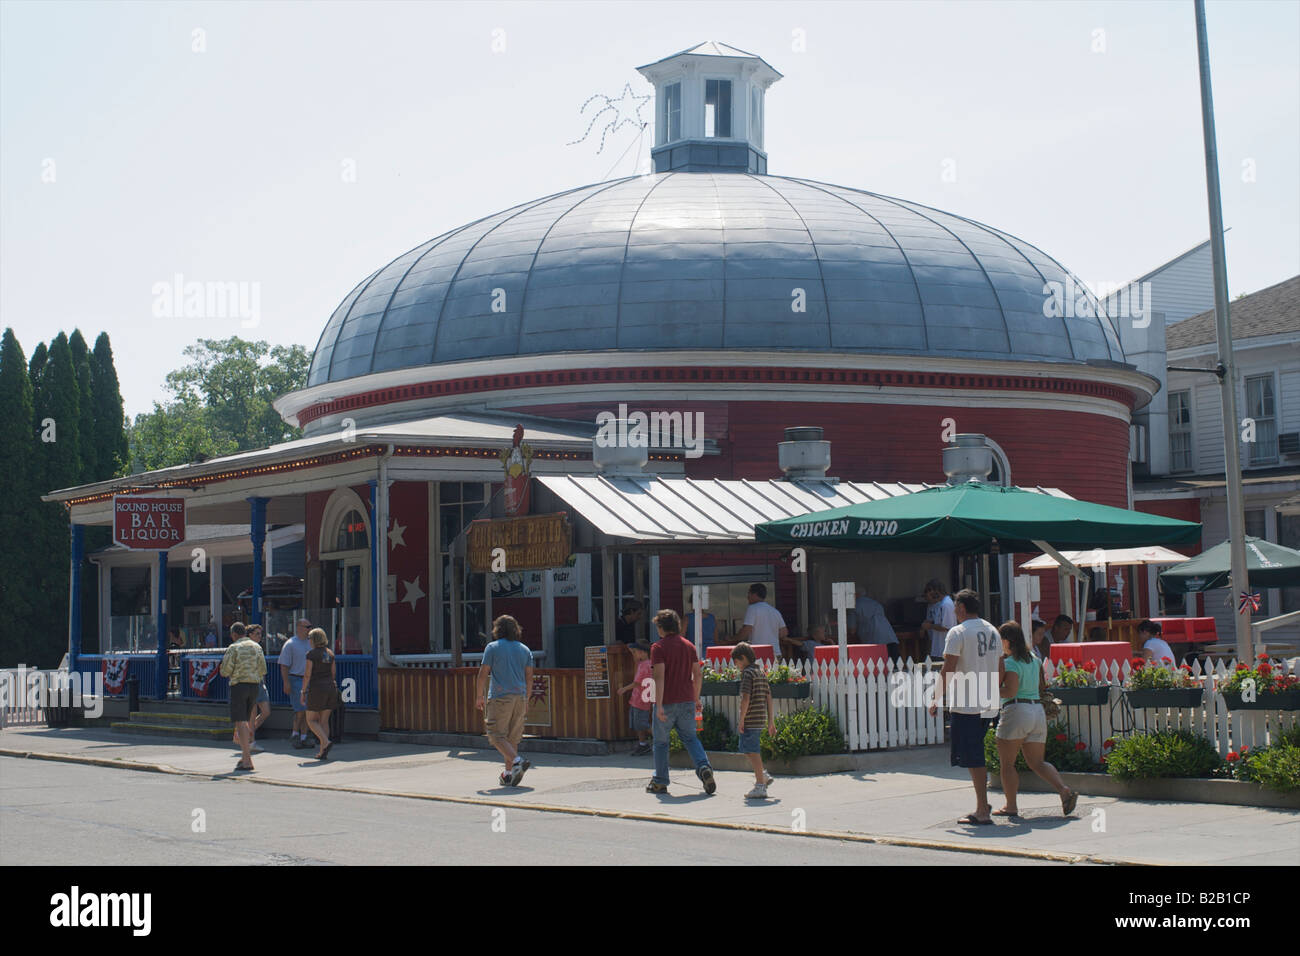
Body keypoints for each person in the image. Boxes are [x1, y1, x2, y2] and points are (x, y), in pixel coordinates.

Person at [929, 589, 1001, 825]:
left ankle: (982, 809)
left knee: (973, 756)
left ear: (960, 608)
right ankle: (984, 804)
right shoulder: (992, 630)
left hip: (967, 703)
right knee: (976, 753)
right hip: (988, 700)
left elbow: (948, 667)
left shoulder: (957, 632)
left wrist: (936, 697)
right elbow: (1001, 667)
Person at [994, 620, 1077, 818]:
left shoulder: (1010, 662)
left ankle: (1011, 806)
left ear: (1006, 641)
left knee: (1007, 764)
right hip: (1037, 712)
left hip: (1017, 710)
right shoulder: (1034, 659)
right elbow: (1041, 688)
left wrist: (990, 688)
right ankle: (1063, 790)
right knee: (1037, 762)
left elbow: (1010, 690)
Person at [647, 609, 715, 796]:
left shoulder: (658, 648)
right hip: (686, 700)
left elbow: (659, 677)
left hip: (667, 701)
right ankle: (703, 767)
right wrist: (696, 698)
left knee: (661, 743)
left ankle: (660, 781)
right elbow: (697, 674)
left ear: (661, 627)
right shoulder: (689, 646)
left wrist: (659, 705)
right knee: (691, 738)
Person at [475, 615, 535, 787]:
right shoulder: (525, 649)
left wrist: (479, 696)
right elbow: (529, 677)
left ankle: (517, 761)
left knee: (496, 735)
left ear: (497, 630)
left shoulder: (492, 647)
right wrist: (527, 699)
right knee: (512, 738)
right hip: (520, 696)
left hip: (500, 697)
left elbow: (483, 673)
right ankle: (509, 774)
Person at [219, 623, 266, 773]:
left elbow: (225, 671)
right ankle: (245, 757)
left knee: (240, 722)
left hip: (239, 686)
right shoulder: (256, 647)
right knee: (245, 720)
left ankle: (247, 759)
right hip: (254, 685)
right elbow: (263, 669)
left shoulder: (233, 648)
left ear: (233, 634)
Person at [733, 642, 776, 800]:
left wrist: (741, 719)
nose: (736, 666)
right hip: (760, 718)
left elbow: (745, 698)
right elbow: (769, 697)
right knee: (747, 748)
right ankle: (762, 775)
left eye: (736, 662)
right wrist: (771, 720)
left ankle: (760, 785)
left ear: (743, 659)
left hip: (750, 718)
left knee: (753, 751)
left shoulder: (747, 674)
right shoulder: (760, 672)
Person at [302, 627, 341, 760]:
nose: (308, 641)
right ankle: (323, 751)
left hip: (316, 689)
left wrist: (303, 691)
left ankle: (326, 742)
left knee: (311, 720)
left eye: (309, 638)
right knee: (324, 721)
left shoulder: (311, 654)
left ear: (313, 640)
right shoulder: (330, 653)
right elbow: (333, 672)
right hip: (330, 688)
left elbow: (307, 675)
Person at [232, 624, 269, 753]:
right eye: (257, 633)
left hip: (258, 682)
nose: (260, 636)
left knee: (265, 711)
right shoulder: (242, 648)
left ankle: (245, 733)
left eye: (260, 633)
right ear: (249, 635)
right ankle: (250, 740)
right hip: (249, 683)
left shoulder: (258, 648)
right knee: (252, 714)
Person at [279, 619, 313, 749]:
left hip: (308, 679)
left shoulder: (311, 643)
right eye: (307, 627)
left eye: (310, 627)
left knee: (307, 710)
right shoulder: (290, 644)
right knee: (300, 710)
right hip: (296, 678)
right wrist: (286, 682)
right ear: (299, 627)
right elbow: (284, 665)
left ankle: (304, 736)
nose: (309, 629)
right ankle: (295, 734)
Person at [619, 640, 654, 755]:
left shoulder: (645, 665)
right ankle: (642, 744)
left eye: (635, 652)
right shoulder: (644, 663)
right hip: (640, 698)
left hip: (641, 699)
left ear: (643, 653)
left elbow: (637, 683)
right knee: (637, 724)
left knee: (642, 723)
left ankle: (661, 738)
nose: (633, 654)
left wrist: (624, 689)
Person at [735, 583, 787, 658]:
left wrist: (733, 638)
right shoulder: (775, 611)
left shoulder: (752, 608)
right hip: (775, 652)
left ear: (754, 594)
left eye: (749, 593)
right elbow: (783, 633)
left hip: (759, 653)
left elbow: (746, 632)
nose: (747, 597)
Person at [851, 585, 899, 663]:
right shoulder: (875, 603)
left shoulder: (855, 605)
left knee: (879, 668)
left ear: (855, 595)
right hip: (890, 637)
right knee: (895, 667)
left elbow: (852, 630)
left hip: (874, 641)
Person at [920, 579, 957, 662]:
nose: (929, 596)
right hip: (939, 648)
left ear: (936, 591)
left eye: (930, 592)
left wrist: (929, 626)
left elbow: (947, 626)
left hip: (944, 648)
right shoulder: (941, 604)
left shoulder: (946, 604)